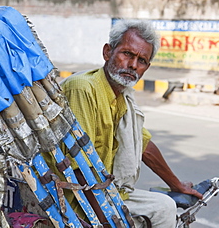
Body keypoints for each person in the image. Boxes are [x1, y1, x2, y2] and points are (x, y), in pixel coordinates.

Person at [61, 19, 203, 227]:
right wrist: (107, 220)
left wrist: (177, 184)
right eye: (127, 54)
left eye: (142, 60)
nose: (133, 65)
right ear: (108, 52)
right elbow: (80, 166)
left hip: (107, 190)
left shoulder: (122, 96)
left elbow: (143, 145)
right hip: (74, 197)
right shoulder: (83, 89)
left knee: (165, 207)